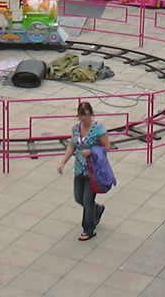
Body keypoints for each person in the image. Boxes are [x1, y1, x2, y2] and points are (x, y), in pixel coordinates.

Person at [57, 101, 111, 241]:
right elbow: (71, 146)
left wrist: (92, 151)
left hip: (93, 171)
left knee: (87, 200)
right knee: (78, 197)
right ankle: (97, 210)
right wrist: (62, 162)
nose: (83, 119)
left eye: (86, 115)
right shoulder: (76, 129)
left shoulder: (99, 129)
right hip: (79, 169)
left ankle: (88, 229)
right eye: (81, 116)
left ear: (91, 114)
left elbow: (107, 147)